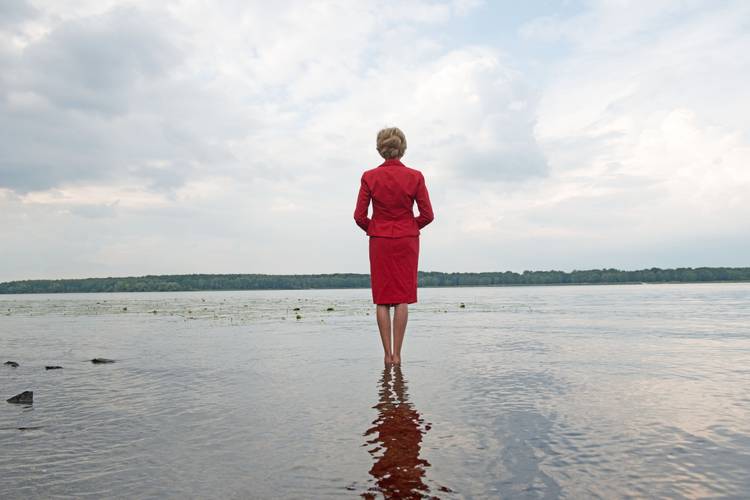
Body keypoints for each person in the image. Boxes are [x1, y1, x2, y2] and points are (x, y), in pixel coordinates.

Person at [353, 127, 434, 365]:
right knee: (401, 298)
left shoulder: (369, 176)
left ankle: (386, 355)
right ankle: (398, 355)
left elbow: (359, 216)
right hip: (406, 240)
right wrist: (409, 226)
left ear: (380, 149)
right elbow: (427, 215)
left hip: (379, 241)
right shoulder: (415, 176)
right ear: (402, 148)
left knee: (382, 298)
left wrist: (376, 228)